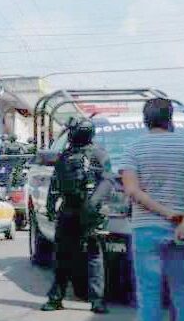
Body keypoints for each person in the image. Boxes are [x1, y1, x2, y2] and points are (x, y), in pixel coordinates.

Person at [118, 98, 184, 321]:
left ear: (145, 120)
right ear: (170, 118)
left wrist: (164, 212)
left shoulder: (133, 149)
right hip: (182, 230)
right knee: (183, 291)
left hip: (145, 229)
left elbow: (132, 190)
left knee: (149, 293)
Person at [42, 117, 112, 314]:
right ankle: (56, 298)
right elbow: (55, 183)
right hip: (69, 210)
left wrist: (93, 203)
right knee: (63, 257)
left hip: (89, 212)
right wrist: (50, 206)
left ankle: (97, 300)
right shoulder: (65, 156)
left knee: (93, 256)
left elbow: (107, 180)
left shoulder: (99, 154)